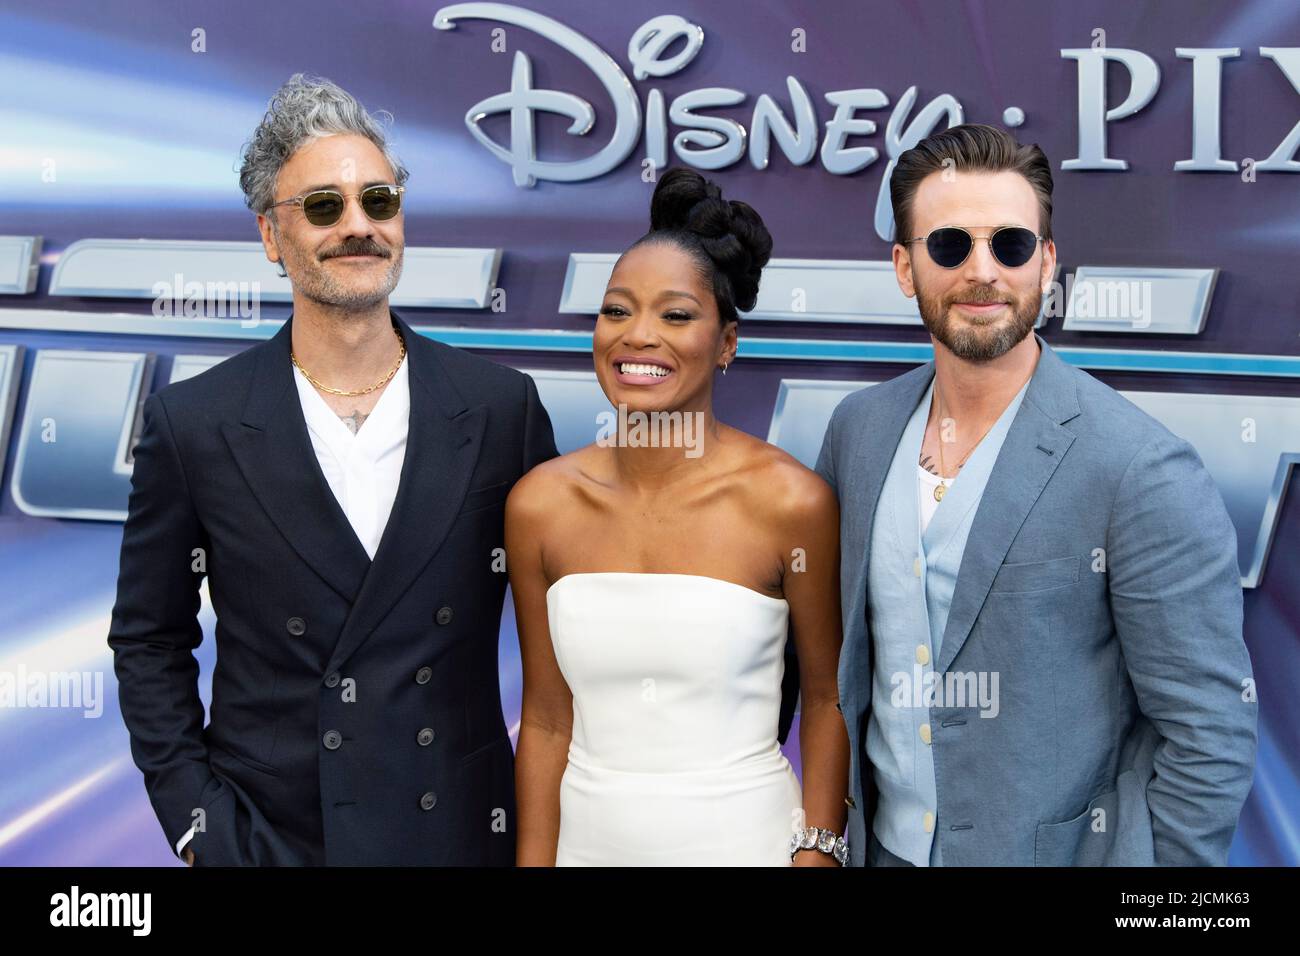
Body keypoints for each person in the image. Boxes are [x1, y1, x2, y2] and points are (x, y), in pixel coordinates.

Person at [107, 74, 558, 865]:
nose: (359, 226)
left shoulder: (499, 409)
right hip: (271, 839)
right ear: (271, 236)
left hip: (459, 833)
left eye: (378, 201)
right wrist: (198, 824)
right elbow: (150, 640)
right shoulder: (195, 424)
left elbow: (571, 629)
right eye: (323, 206)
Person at [816, 123, 1257, 866]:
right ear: (903, 265)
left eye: (1011, 245)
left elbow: (1209, 733)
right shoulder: (859, 432)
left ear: (1047, 263)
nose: (982, 271)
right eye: (949, 245)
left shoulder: (1139, 466)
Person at [505, 167, 850, 866]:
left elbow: (827, 699)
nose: (638, 337)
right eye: (617, 310)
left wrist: (819, 853)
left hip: (749, 845)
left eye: (676, 315)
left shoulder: (792, 502)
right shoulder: (539, 504)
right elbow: (543, 719)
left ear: (726, 343)